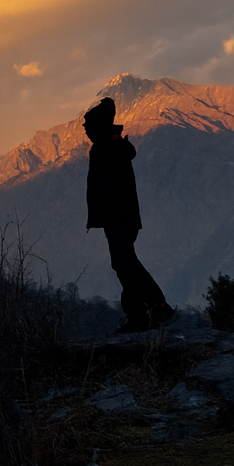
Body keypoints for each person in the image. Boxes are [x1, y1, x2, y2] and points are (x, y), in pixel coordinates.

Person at [83, 97, 174, 332]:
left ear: (98, 126)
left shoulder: (106, 149)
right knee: (123, 263)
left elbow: (109, 188)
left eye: (89, 126)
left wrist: (105, 214)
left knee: (124, 262)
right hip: (121, 217)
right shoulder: (112, 147)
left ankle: (154, 308)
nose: (86, 130)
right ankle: (142, 313)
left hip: (117, 217)